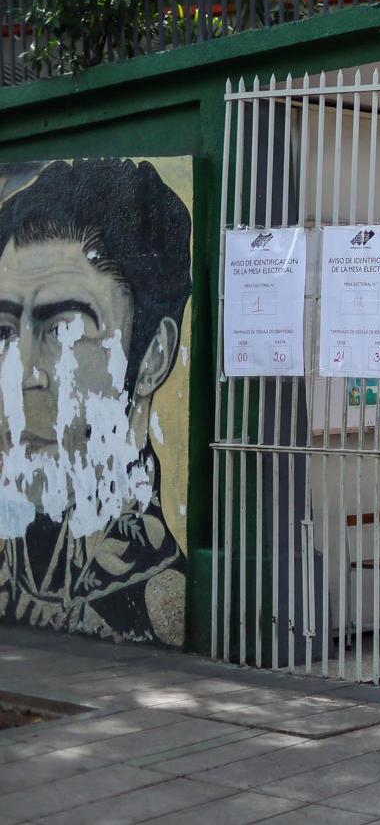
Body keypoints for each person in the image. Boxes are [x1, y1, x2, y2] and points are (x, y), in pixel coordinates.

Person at [0, 159, 192, 646]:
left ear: (153, 355)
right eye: (3, 332)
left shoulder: (153, 598)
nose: (24, 374)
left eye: (63, 330)